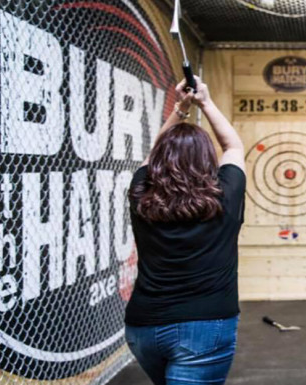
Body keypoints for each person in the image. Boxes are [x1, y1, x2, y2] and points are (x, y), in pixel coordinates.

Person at [124, 75, 246, 385]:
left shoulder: (141, 194)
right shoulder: (226, 195)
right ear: (207, 160)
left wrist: (180, 108)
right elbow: (233, 145)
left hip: (144, 325)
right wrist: (204, 102)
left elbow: (152, 158)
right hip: (205, 328)